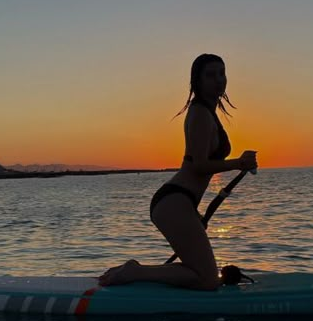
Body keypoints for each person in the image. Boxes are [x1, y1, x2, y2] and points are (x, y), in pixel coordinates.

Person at [98, 53, 257, 290]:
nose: (219, 79)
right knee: (207, 280)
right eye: (210, 75)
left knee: (202, 273)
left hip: (182, 202)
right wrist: (237, 163)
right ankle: (136, 271)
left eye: (222, 73)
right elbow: (197, 165)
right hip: (174, 201)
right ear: (197, 81)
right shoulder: (200, 113)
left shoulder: (208, 112)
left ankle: (140, 272)